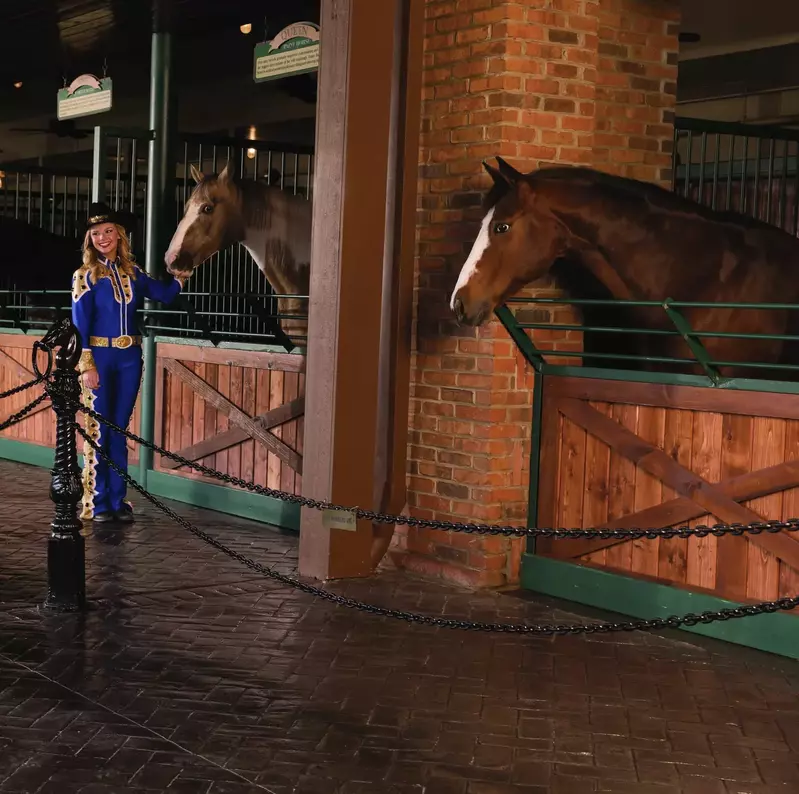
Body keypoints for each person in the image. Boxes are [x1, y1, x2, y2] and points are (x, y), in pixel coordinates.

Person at [71, 202, 185, 524]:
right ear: (89, 240)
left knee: (118, 431)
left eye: (108, 231)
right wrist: (87, 365)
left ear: (119, 235)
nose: (103, 238)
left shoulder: (132, 273)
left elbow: (165, 294)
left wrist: (183, 273)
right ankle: (98, 503)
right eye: (96, 234)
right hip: (99, 358)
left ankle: (117, 500)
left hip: (130, 358)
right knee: (99, 430)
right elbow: (80, 325)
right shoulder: (84, 276)